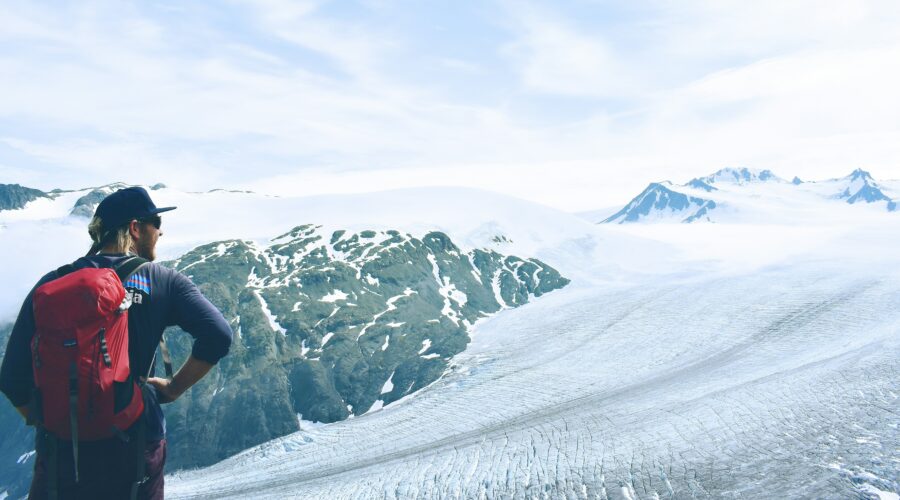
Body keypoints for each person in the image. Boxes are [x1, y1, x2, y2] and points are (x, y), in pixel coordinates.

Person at [0, 186, 233, 499]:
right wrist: (174, 387)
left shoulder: (51, 284)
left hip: (60, 454)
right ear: (135, 228)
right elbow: (218, 335)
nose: (161, 233)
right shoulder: (162, 280)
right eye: (156, 224)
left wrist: (53, 418)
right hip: (135, 447)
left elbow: (12, 378)